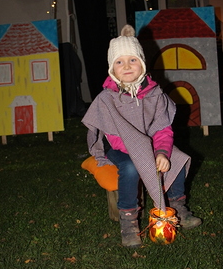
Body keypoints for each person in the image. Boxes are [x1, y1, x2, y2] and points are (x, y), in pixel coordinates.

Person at [82, 25, 202, 248]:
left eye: (132, 60)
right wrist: (145, 156)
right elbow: (116, 136)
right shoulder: (107, 99)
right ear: (111, 68)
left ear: (142, 63)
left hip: (150, 145)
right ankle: (128, 223)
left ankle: (178, 207)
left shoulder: (155, 95)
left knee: (175, 157)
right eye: (119, 62)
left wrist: (162, 152)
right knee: (130, 167)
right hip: (118, 147)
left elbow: (162, 129)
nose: (126, 66)